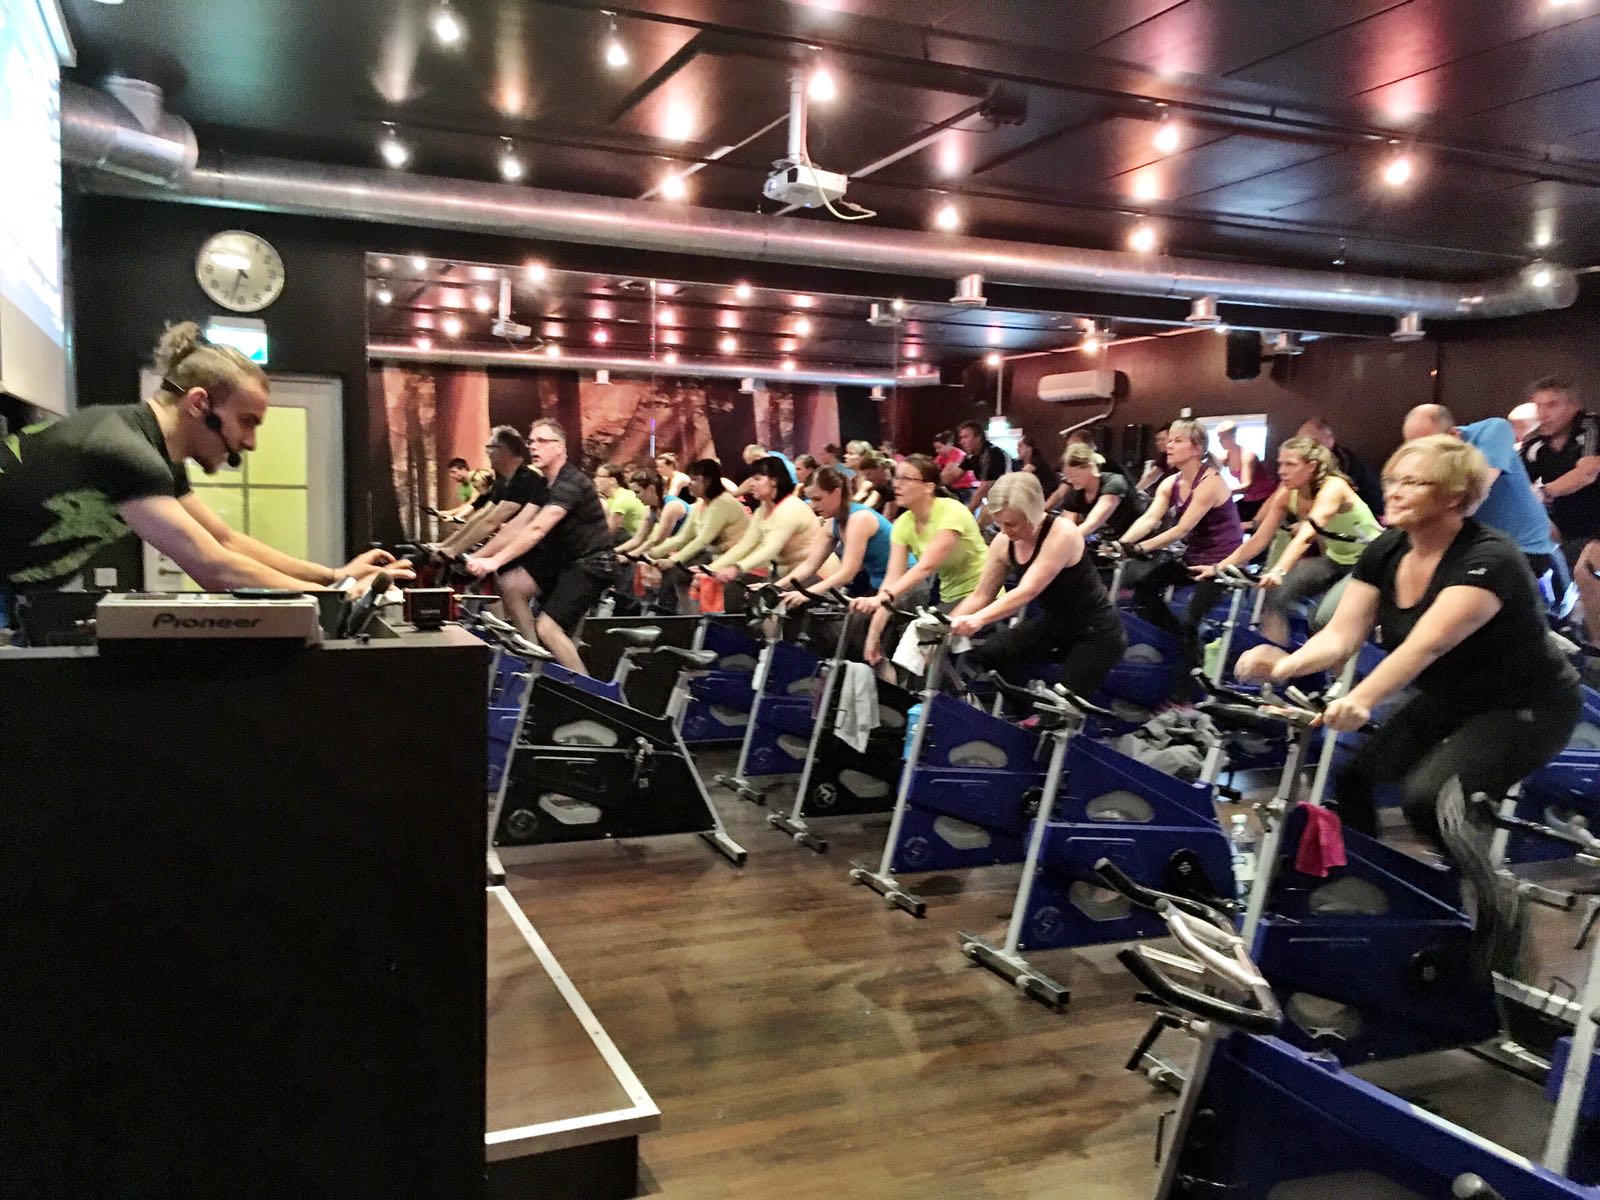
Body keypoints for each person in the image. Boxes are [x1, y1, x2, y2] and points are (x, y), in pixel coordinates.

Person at [1235, 436, 1580, 972]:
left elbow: (1426, 645)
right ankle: (1371, 893)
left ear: (1454, 496)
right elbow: (1342, 634)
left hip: (1526, 706)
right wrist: (1282, 665)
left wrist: (1361, 699)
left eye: (1413, 483)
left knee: (1429, 799)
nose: (1393, 492)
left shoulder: (1489, 558)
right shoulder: (1388, 549)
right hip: (1449, 696)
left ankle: (1498, 914)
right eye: (1393, 480)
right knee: (1354, 778)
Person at [0, 321, 400, 597]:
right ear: (198, 404)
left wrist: (334, 577)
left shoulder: (150, 450)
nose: (250, 443)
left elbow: (226, 541)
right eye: (247, 422)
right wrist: (342, 597)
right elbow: (215, 567)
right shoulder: (126, 451)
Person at [950, 473, 1127, 696]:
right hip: (1056, 624)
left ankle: (1040, 710)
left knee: (1060, 705)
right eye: (999, 523)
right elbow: (982, 594)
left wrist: (978, 619)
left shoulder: (1063, 532)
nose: (1004, 530)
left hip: (1097, 632)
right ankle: (1024, 705)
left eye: (1011, 524)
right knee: (992, 652)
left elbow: (1028, 590)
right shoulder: (1004, 542)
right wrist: (946, 624)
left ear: (1033, 514)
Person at [1196, 437, 1380, 645]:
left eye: (1290, 464)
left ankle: (1346, 663)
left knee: (1322, 619)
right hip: (1335, 559)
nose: (1282, 471)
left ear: (1311, 467)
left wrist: (1279, 571)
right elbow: (1259, 539)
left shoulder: (1333, 487)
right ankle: (1274, 659)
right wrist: (1218, 567)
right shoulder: (1287, 493)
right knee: (1274, 599)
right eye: (1280, 464)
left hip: (1369, 562)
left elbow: (1307, 535)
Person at [464, 418, 614, 672]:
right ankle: (535, 664)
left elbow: (537, 529)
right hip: (565, 561)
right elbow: (519, 524)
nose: (534, 446)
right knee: (511, 585)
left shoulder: (570, 483)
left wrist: (493, 561)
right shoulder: (544, 483)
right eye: (531, 441)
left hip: (593, 563)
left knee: (547, 627)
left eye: (542, 441)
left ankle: (584, 690)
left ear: (560, 448)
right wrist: (477, 556)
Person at [1116, 418, 1245, 674]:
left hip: (1223, 562)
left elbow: (1182, 529)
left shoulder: (1210, 483)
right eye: (1169, 440)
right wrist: (1122, 544)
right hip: (1194, 556)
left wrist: (1142, 548)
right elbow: (1150, 518)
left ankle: (1192, 675)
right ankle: (1182, 644)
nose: (1169, 445)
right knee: (1144, 591)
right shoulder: (1171, 482)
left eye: (1177, 441)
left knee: (1190, 618)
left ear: (1197, 449)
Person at [851, 454, 987, 671]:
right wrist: (873, 635)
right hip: (949, 596)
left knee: (921, 641)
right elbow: (892, 580)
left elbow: (926, 567)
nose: (897, 484)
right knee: (907, 643)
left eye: (906, 479)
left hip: (983, 593)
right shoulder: (903, 524)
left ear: (928, 487)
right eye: (897, 478)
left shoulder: (951, 511)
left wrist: (881, 599)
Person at [1401, 404, 1561, 583]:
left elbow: (1475, 491)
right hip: (1481, 548)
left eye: (1429, 446)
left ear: (1454, 435)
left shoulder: (1493, 430)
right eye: (1414, 448)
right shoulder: (1420, 461)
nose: (1422, 455)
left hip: (1525, 549)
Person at [709, 456, 834, 587]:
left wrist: (737, 568)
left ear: (774, 481)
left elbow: (770, 549)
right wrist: (712, 568)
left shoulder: (790, 508)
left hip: (818, 575)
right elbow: (745, 544)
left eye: (757, 479)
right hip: (791, 576)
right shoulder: (764, 508)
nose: (751, 484)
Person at [778, 464, 894, 606]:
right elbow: (809, 565)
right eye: (811, 499)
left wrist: (807, 593)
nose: (813, 506)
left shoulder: (859, 519)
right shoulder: (831, 523)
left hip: (900, 585)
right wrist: (775, 587)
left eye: (817, 499)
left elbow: (848, 573)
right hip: (879, 586)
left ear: (837, 492)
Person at [648, 459, 750, 613]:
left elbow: (702, 540)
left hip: (739, 562)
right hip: (717, 556)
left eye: (695, 479)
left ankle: (696, 620)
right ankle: (689, 619)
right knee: (678, 575)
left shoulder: (722, 503)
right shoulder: (700, 504)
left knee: (684, 575)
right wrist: (651, 553)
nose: (689, 484)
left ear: (708, 481)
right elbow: (682, 538)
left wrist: (672, 561)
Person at [1519, 376, 1600, 571]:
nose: (1543, 414)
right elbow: (1519, 488)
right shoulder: (1533, 443)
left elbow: (1588, 472)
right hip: (1565, 536)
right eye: (1538, 406)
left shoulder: (1591, 426)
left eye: (1552, 405)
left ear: (1573, 406)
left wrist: (1542, 492)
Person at [434, 427, 544, 563]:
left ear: (504, 450)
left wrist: (453, 550)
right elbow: (483, 515)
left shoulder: (525, 479)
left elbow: (491, 522)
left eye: (490, 447)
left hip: (532, 552)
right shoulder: (503, 481)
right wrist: (446, 546)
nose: (487, 453)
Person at [1049, 443, 1144, 540]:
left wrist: (1064, 542)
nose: (1070, 480)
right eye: (1067, 477)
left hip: (1137, 537)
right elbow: (1068, 527)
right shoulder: (1074, 493)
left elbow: (1092, 523)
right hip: (1107, 540)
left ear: (1090, 467)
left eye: (1074, 476)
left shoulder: (1114, 482)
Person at [1298, 416, 1384, 516]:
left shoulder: (1345, 460)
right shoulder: (1299, 462)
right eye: (1299, 441)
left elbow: (1332, 499)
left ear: (1329, 440)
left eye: (1310, 440)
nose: (1303, 447)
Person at [616, 470, 689, 560]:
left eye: (637, 492)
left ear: (651, 489)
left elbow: (657, 540)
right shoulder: (650, 509)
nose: (636, 497)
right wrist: (612, 552)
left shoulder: (672, 505)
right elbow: (637, 539)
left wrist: (629, 556)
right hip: (682, 549)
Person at [1214, 420, 1276, 524]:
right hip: (1249, 499)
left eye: (1224, 437)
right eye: (1219, 437)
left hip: (1264, 499)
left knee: (1230, 521)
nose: (1220, 441)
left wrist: (1223, 492)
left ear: (1233, 436)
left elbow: (1246, 485)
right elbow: (1210, 473)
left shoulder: (1247, 455)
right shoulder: (1225, 456)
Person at [957, 419, 1009, 514]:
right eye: (961, 438)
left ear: (978, 437)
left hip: (1013, 497)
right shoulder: (971, 456)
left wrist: (964, 516)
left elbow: (981, 492)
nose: (962, 442)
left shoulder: (993, 454)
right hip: (997, 497)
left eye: (966, 437)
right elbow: (954, 474)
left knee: (985, 514)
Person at [595, 463, 647, 542]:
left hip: (646, 542)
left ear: (612, 480)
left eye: (599, 476)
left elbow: (608, 533)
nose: (595, 480)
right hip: (635, 539)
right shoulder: (613, 498)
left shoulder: (621, 500)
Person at [932, 429, 976, 503]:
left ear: (949, 444)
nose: (937, 450)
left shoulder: (957, 454)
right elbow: (931, 470)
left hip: (968, 487)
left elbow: (946, 476)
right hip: (953, 488)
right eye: (935, 448)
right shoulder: (939, 458)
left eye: (939, 447)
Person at [1016, 435, 1059, 502]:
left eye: (1020, 446)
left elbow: (1021, 475)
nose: (1017, 449)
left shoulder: (1037, 460)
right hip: (1035, 496)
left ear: (1029, 448)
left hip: (1048, 497)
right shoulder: (1019, 463)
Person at [1135, 426, 1171, 495]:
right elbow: (1151, 477)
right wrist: (1134, 491)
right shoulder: (1164, 457)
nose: (1158, 443)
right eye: (1157, 440)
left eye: (1162, 439)